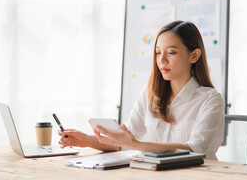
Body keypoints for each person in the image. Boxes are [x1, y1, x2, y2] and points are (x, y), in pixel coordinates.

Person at [58, 20, 225, 159]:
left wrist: (135, 145)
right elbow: (124, 142)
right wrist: (86, 140)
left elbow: (197, 149)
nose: (162, 60)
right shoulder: (150, 94)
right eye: (158, 53)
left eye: (171, 52)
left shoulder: (211, 100)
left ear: (194, 56)